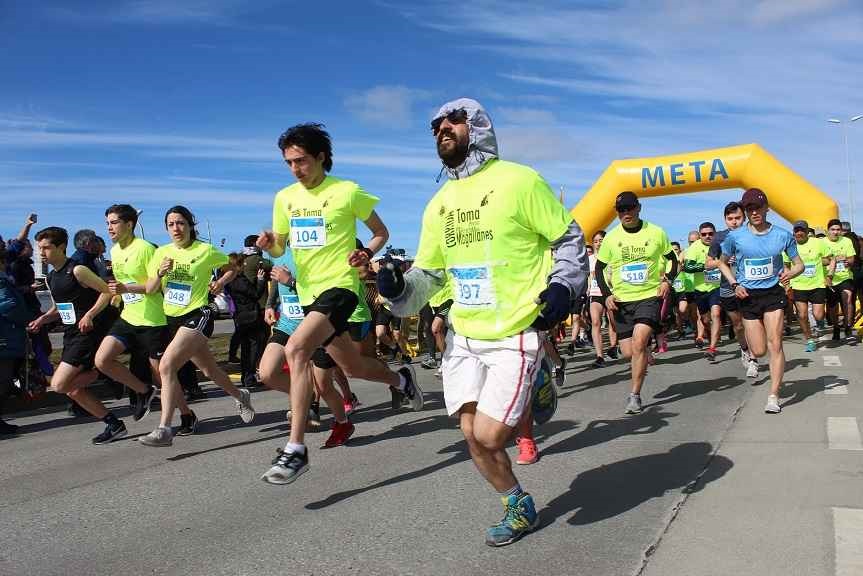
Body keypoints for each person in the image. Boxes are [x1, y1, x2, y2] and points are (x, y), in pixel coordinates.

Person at [377, 98, 588, 546]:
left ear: (477, 125)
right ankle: (517, 504)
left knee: (491, 436)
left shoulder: (520, 181)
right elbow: (430, 276)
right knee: (472, 435)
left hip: (514, 330)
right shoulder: (438, 203)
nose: (441, 129)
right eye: (434, 125)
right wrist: (397, 288)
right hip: (464, 335)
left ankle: (538, 377)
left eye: (452, 120)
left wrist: (564, 287)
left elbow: (568, 240)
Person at [257, 123, 422, 485]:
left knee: (297, 349)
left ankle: (296, 448)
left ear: (320, 157)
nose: (295, 169)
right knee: (353, 368)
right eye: (288, 162)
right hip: (308, 295)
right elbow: (282, 248)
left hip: (342, 289)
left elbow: (381, 232)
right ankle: (401, 379)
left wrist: (365, 251)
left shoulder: (347, 192)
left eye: (301, 161)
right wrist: (270, 244)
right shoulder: (284, 198)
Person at [139, 206, 255, 447]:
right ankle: (240, 395)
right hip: (172, 318)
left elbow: (234, 266)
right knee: (210, 370)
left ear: (190, 225)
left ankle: (164, 429)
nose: (176, 228)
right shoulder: (161, 252)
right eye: (171, 224)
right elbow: (150, 289)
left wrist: (221, 281)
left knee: (167, 365)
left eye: (181, 223)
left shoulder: (205, 250)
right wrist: (160, 274)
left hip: (198, 314)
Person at [28, 227, 127, 444]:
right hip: (70, 334)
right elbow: (60, 307)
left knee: (61, 385)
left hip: (87, 334)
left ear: (61, 247)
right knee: (72, 390)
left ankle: (104, 372)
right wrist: (42, 320)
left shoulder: (77, 270)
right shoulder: (52, 276)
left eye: (46, 247)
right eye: (39, 248)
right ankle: (114, 424)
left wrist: (90, 315)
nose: (42, 253)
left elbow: (106, 291)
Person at [717, 188, 803, 414]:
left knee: (776, 344)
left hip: (773, 294)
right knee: (759, 349)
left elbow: (799, 264)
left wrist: (790, 274)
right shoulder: (735, 237)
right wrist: (735, 284)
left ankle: (773, 395)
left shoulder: (783, 235)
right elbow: (722, 263)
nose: (754, 212)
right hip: (748, 296)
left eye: (757, 207)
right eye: (749, 208)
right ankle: (753, 356)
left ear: (767, 208)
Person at [594, 192, 676, 415]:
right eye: (621, 210)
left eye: (630, 208)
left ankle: (635, 395)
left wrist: (667, 281)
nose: (626, 213)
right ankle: (644, 351)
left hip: (648, 296)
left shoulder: (656, 232)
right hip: (621, 301)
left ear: (638, 208)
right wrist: (606, 294)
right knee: (629, 352)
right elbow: (599, 269)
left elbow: (673, 260)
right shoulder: (611, 238)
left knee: (639, 343)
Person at [93, 204, 164, 423]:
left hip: (153, 319)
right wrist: (117, 295)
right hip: (128, 316)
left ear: (129, 224)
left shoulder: (146, 249)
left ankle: (186, 414)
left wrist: (126, 289)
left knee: (162, 376)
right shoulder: (114, 252)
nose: (109, 228)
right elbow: (122, 283)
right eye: (107, 223)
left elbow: (154, 287)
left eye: (114, 223)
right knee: (102, 360)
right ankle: (143, 391)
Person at [707, 202, 759, 377]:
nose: (734, 222)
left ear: (744, 218)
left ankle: (753, 360)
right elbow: (708, 264)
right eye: (730, 219)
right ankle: (744, 348)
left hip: (749, 286)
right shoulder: (719, 238)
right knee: (737, 326)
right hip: (726, 287)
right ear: (725, 220)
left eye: (738, 218)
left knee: (750, 323)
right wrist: (723, 261)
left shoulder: (753, 234)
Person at [783, 220, 832, 352]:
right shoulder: (789, 245)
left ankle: (820, 322)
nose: (799, 233)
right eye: (797, 230)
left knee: (818, 315)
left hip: (817, 284)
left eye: (802, 230)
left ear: (807, 232)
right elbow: (786, 266)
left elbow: (829, 258)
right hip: (798, 285)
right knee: (802, 315)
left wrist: (828, 272)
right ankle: (809, 339)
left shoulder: (817, 243)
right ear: (793, 233)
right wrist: (787, 284)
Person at [0, 241, 31, 435]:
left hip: (7, 336)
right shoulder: (2, 282)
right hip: (5, 337)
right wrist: (27, 317)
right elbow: (9, 305)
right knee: (2, 380)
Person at [684, 222, 722, 360]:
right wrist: (707, 266)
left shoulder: (720, 245)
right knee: (705, 319)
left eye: (710, 234)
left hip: (716, 286)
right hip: (700, 289)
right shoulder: (695, 247)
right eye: (704, 234)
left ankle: (712, 348)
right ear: (700, 235)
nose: (707, 236)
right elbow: (688, 267)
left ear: (715, 234)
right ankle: (709, 332)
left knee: (716, 314)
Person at [587, 231, 618, 367]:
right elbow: (589, 276)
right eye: (596, 241)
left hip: (611, 293)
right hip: (595, 293)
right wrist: (587, 289)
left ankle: (613, 347)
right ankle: (599, 356)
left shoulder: (612, 257)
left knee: (613, 322)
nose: (599, 243)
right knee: (595, 322)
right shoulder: (590, 259)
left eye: (601, 240)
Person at [823, 218, 857, 343]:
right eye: (833, 230)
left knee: (847, 296)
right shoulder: (822, 242)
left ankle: (848, 327)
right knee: (832, 307)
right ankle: (836, 328)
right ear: (828, 231)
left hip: (845, 277)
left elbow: (852, 259)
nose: (836, 232)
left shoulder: (847, 241)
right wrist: (833, 260)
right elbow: (820, 261)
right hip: (829, 279)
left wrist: (848, 261)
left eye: (838, 230)